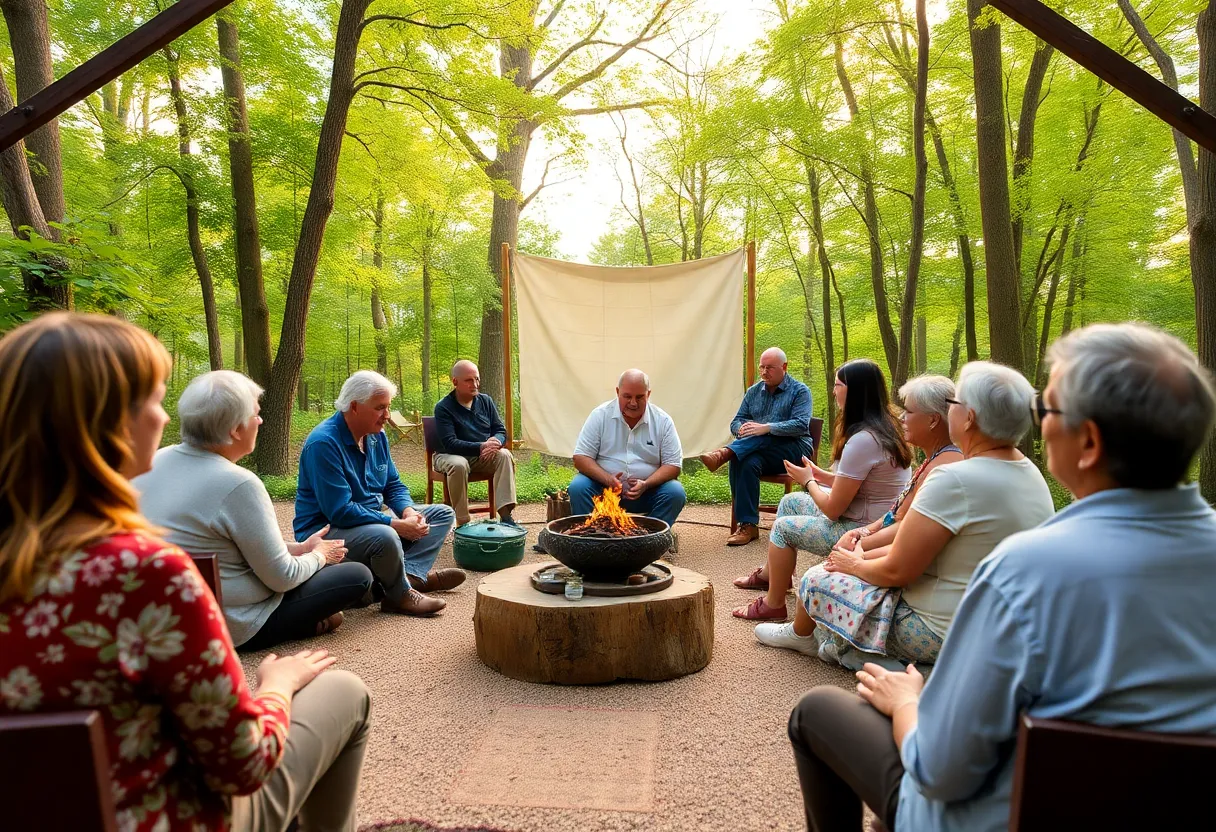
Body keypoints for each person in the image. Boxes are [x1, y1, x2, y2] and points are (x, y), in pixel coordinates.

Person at [787, 323, 1216, 832]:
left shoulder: (1023, 571)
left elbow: (939, 768)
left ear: (1090, 442)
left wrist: (907, 704)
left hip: (1005, 816)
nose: (1035, 425)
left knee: (815, 711)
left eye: (1047, 410)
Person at [0, 313, 372, 832]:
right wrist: (277, 685)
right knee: (345, 691)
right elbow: (242, 763)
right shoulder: (145, 574)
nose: (163, 418)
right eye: (154, 400)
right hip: (163, 818)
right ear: (109, 424)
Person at [756, 364, 1053, 667]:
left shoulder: (953, 478)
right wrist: (863, 541)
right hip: (1005, 627)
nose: (902, 417)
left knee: (815, 580)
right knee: (844, 572)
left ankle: (860, 654)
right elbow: (915, 540)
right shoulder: (1030, 473)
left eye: (954, 403)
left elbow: (898, 571)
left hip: (949, 631)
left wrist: (854, 562)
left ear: (969, 418)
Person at [136, 370, 373, 652]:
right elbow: (282, 577)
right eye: (256, 415)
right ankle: (289, 626)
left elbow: (223, 542)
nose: (260, 421)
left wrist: (298, 548)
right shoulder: (238, 483)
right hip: (225, 621)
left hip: (157, 611)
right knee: (356, 576)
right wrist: (318, 555)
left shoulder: (154, 460)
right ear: (235, 430)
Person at [732, 359, 912, 621]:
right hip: (869, 516)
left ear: (854, 391)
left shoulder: (863, 440)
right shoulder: (883, 428)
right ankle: (772, 576)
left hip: (860, 529)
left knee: (783, 528)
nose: (833, 391)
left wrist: (808, 481)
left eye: (838, 385)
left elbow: (833, 510)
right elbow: (855, 483)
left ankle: (774, 604)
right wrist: (818, 475)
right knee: (791, 502)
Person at [295, 370, 458, 617]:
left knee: (441, 514)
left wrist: (408, 511)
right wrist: (395, 524)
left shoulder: (376, 437)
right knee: (385, 535)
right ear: (354, 406)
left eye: (388, 407)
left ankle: (408, 577)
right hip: (327, 529)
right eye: (380, 407)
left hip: (369, 520)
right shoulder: (323, 443)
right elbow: (340, 510)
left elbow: (393, 484)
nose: (387, 416)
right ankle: (398, 595)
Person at [700, 347, 818, 545]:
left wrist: (766, 428)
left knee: (761, 438)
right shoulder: (754, 392)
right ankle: (748, 526)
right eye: (761, 367)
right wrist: (742, 430)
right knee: (745, 459)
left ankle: (724, 453)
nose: (764, 372)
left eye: (769, 368)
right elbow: (736, 421)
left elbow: (800, 425)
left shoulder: (800, 391)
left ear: (784, 367)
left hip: (795, 449)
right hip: (760, 451)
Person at [569, 369, 686, 528]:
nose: (633, 403)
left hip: (647, 493)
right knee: (578, 487)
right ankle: (591, 538)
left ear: (648, 394)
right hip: (604, 491)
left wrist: (646, 484)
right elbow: (581, 458)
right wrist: (608, 479)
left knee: (675, 492)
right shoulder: (600, 415)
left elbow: (673, 465)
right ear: (617, 392)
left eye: (639, 397)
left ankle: (649, 539)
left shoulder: (663, 421)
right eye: (627, 396)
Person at [432, 360, 518, 528]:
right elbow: (450, 443)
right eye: (469, 380)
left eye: (477, 379)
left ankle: (506, 517)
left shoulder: (486, 401)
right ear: (455, 382)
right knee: (459, 464)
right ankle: (463, 523)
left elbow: (500, 430)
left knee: (505, 455)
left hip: (480, 455)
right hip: (449, 455)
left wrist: (495, 442)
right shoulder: (443, 407)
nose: (475, 384)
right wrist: (481, 447)